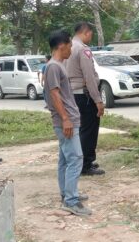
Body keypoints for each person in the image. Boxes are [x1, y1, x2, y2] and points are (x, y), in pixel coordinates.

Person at [44, 30, 91, 216]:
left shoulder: (58, 65)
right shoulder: (54, 67)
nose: (72, 49)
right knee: (76, 158)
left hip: (69, 118)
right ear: (61, 46)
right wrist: (65, 119)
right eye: (70, 45)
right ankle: (71, 201)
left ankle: (67, 194)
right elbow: (54, 94)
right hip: (66, 120)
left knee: (65, 158)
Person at [64, 22, 105, 176]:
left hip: (71, 94)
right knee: (89, 130)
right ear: (86, 33)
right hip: (84, 95)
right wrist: (98, 100)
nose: (90, 37)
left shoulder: (67, 47)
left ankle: (80, 161)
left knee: (79, 130)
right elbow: (89, 77)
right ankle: (85, 164)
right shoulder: (82, 49)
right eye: (91, 34)